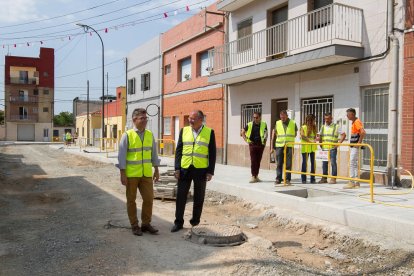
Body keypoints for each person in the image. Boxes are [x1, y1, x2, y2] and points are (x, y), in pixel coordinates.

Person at [171, 110, 216, 232]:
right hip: (185, 169)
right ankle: (178, 222)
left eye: (193, 118)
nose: (190, 120)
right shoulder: (184, 130)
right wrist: (177, 168)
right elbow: (179, 150)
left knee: (199, 197)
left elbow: (212, 153)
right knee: (181, 197)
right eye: (189, 118)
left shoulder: (209, 132)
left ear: (201, 120)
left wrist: (210, 171)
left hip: (201, 170)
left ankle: (195, 222)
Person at [117, 108, 160, 236]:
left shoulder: (149, 134)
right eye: (142, 118)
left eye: (146, 118)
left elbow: (154, 153)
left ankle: (146, 224)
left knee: (149, 199)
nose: (145, 120)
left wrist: (156, 169)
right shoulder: (127, 135)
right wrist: (122, 174)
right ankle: (134, 225)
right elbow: (121, 156)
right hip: (131, 175)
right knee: (131, 200)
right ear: (134, 120)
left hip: (146, 174)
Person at [317, 113, 346, 184]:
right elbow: (320, 135)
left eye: (328, 118)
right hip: (324, 148)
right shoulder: (323, 126)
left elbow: (343, 135)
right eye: (325, 118)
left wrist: (338, 144)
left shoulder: (336, 126)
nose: (326, 120)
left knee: (333, 163)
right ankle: (324, 178)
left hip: (332, 148)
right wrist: (320, 143)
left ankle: (333, 178)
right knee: (324, 164)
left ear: (331, 118)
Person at [270, 110, 297, 185]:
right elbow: (274, 133)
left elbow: (295, 133)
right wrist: (272, 146)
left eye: (284, 117)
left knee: (288, 163)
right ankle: (278, 178)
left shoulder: (293, 123)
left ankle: (287, 179)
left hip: (289, 145)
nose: (282, 119)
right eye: (281, 117)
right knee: (279, 163)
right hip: (279, 145)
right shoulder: (277, 123)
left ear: (287, 116)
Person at [241, 111, 268, 183]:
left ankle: (256, 176)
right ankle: (253, 176)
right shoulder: (249, 124)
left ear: (260, 117)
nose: (255, 119)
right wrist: (246, 140)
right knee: (253, 161)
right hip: (252, 144)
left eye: (256, 117)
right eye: (254, 117)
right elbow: (242, 132)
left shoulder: (264, 124)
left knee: (258, 161)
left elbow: (266, 133)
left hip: (260, 145)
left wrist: (264, 142)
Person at [344, 108, 365, 189]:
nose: (347, 116)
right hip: (353, 146)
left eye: (348, 114)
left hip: (355, 146)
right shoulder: (354, 122)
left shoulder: (356, 122)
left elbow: (363, 132)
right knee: (354, 163)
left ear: (352, 114)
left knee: (352, 162)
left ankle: (352, 181)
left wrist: (359, 143)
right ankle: (356, 182)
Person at [300, 114, 317, 184]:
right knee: (304, 163)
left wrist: (316, 139)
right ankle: (303, 179)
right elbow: (303, 136)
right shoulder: (303, 127)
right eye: (314, 120)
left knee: (313, 164)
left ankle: (312, 179)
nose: (314, 122)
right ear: (311, 120)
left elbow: (315, 137)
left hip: (312, 148)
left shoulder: (314, 127)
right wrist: (311, 141)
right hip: (305, 148)